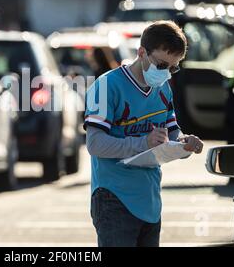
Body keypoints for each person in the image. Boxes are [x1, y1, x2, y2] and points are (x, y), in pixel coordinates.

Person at [84, 20, 204, 247]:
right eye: (161, 65)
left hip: (150, 198)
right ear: (141, 52)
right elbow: (95, 144)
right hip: (113, 197)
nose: (167, 73)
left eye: (173, 67)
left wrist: (184, 143)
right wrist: (143, 142)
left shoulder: (163, 88)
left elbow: (172, 131)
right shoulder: (105, 85)